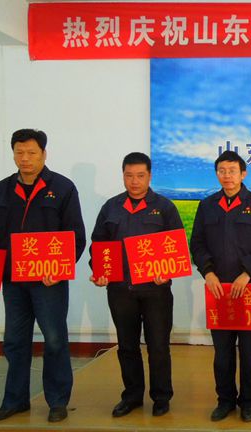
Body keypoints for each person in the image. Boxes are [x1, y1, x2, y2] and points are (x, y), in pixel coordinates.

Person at [0, 129, 86, 423]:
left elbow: (75, 236)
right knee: (14, 341)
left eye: (31, 153)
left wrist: (59, 270)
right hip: (13, 281)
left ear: (44, 154)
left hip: (49, 282)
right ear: (13, 154)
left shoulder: (63, 188)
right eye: (19, 152)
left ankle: (57, 401)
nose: (25, 158)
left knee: (55, 339)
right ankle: (15, 400)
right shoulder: (0, 191)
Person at [89, 152, 183, 418]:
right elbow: (98, 245)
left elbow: (176, 247)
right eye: (129, 175)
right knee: (127, 346)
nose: (134, 181)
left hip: (156, 291)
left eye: (140, 176)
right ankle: (131, 396)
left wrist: (168, 272)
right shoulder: (111, 207)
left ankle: (161, 397)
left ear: (149, 176)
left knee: (158, 346)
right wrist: (99, 271)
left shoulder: (164, 207)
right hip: (120, 290)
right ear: (123, 175)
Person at [190, 151, 251, 422]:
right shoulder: (207, 206)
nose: (227, 176)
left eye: (232, 171)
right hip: (218, 290)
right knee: (222, 353)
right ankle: (225, 400)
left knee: (249, 354)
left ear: (243, 174)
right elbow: (197, 244)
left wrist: (248, 273)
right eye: (222, 171)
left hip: (249, 289)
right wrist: (208, 272)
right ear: (217, 174)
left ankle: (248, 402)